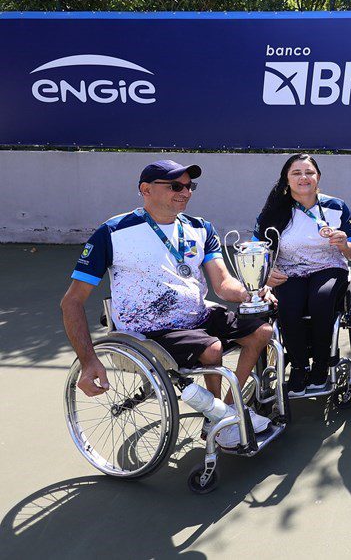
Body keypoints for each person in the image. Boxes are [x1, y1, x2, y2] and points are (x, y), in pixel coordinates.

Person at [60, 160, 276, 448]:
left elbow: (223, 284)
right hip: (149, 330)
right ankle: (224, 417)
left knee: (262, 332)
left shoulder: (201, 228)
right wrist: (88, 362)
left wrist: (250, 293)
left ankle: (223, 413)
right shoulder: (113, 233)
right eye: (176, 186)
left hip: (198, 315)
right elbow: (71, 302)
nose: (185, 192)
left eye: (190, 186)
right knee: (211, 348)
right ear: (145, 189)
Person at [255, 154, 351, 396]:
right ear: (286, 179)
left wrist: (345, 244)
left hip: (328, 268)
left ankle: (322, 364)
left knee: (321, 299)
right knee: (289, 304)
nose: (304, 177)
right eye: (296, 173)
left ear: (318, 178)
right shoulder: (273, 211)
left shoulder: (336, 207)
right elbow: (255, 250)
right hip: (289, 272)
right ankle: (300, 366)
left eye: (309, 172)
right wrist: (266, 273)